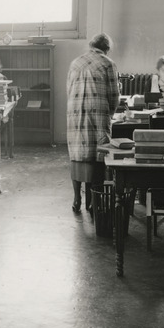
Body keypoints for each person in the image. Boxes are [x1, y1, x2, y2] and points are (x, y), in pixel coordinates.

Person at [66, 33, 120, 213]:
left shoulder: (75, 63)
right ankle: (92, 200)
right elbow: (114, 95)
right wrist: (109, 114)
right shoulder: (108, 63)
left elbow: (68, 90)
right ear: (107, 48)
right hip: (97, 115)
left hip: (75, 114)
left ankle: (76, 199)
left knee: (77, 155)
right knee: (96, 157)